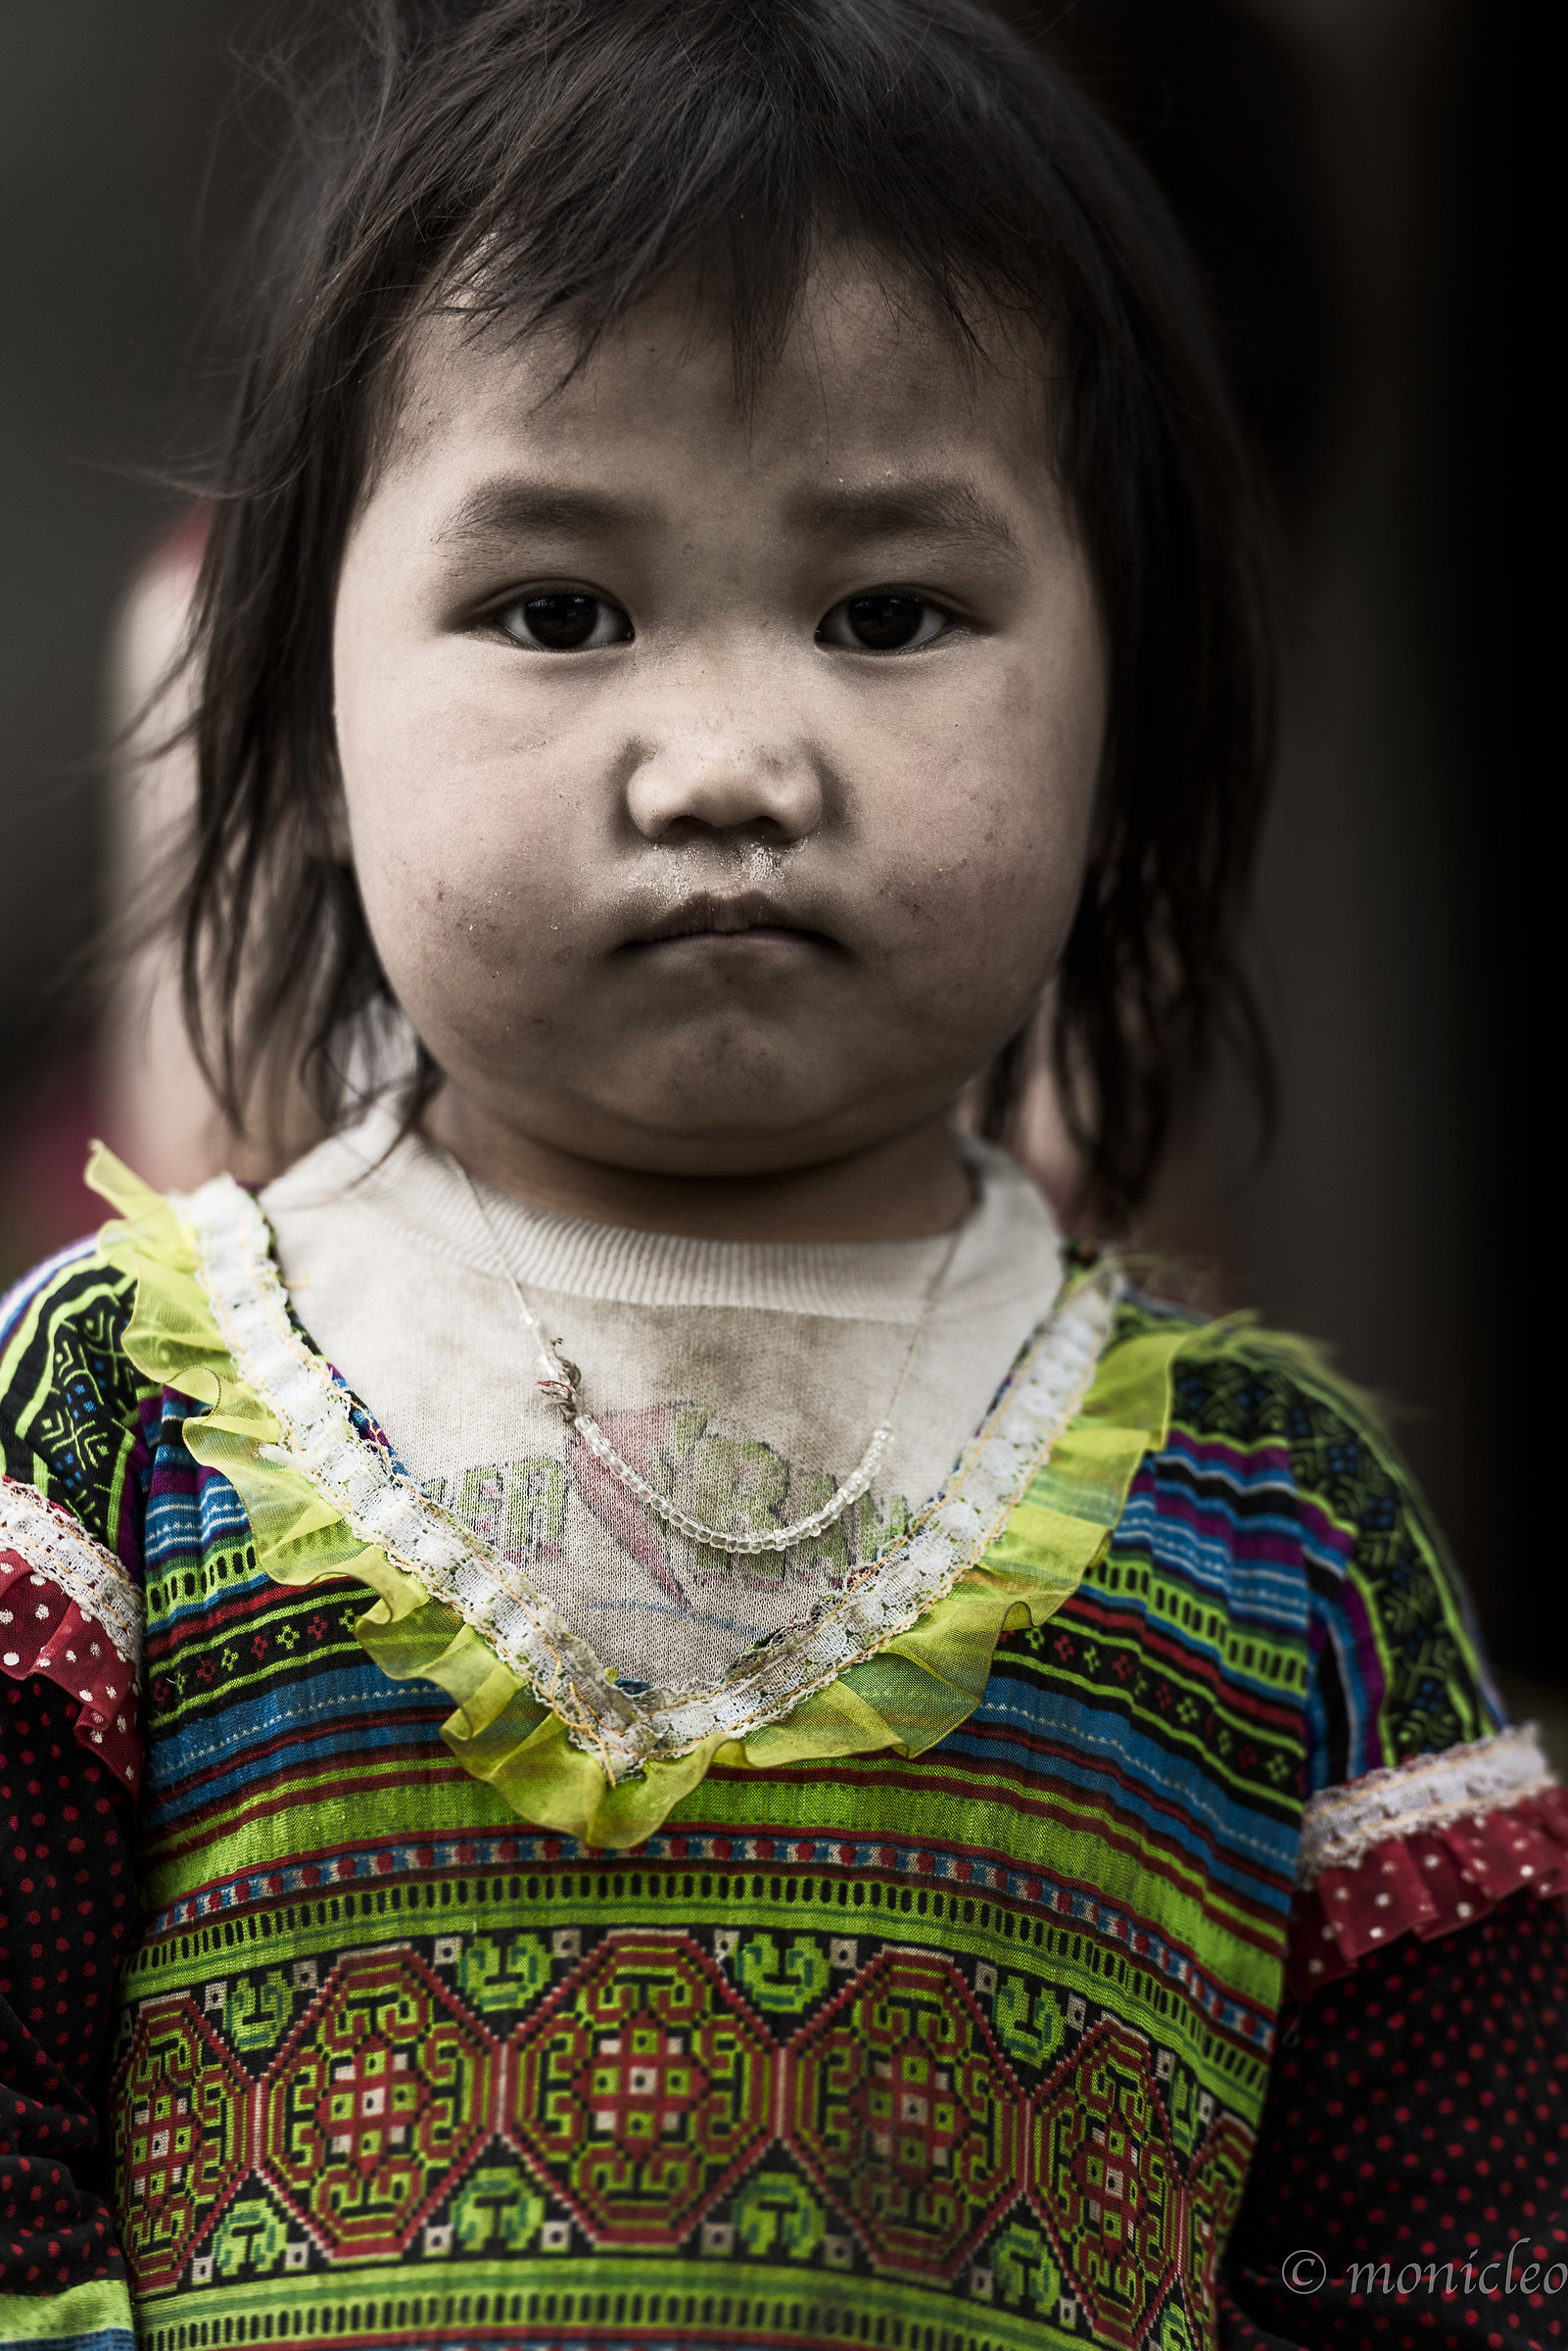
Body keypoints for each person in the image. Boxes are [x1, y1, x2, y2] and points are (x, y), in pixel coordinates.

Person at [2, 5, 1562, 2348]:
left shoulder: (1290, 1539)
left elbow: (1448, 2255)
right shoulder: (111, 1428)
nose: (726, 762)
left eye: (887, 617)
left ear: (1135, 736)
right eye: (559, 613)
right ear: (292, 716)